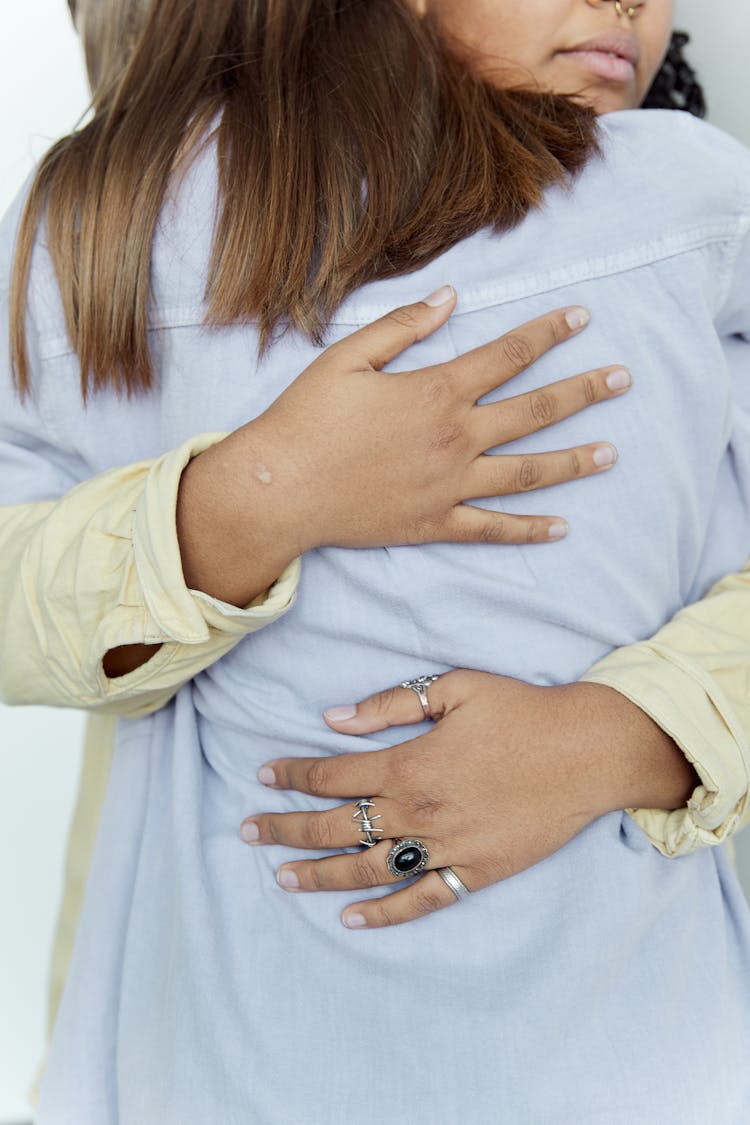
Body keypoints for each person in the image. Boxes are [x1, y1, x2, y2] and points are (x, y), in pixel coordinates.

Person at [2, 0, 750, 1120]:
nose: (634, 6)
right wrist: (264, 496)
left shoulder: (684, 202)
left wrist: (627, 738)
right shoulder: (119, 235)